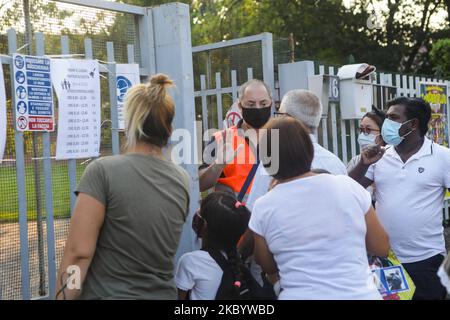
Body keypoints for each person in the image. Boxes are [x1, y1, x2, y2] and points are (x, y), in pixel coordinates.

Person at [56, 74, 190, 300]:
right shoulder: (182, 179)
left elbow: (78, 255)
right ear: (168, 127)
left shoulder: (102, 172)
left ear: (130, 123)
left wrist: (63, 297)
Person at [249, 116, 390, 300]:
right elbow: (381, 247)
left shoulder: (264, 206)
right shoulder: (349, 187)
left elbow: (267, 266)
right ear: (309, 149)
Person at [349, 97, 450, 300]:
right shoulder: (380, 155)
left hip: (426, 260)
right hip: (385, 260)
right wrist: (363, 163)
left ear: (413, 124)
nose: (387, 124)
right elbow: (349, 188)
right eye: (386, 118)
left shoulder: (442, 157)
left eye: (393, 118)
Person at [247, 89, 347, 211]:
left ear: (286, 118)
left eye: (279, 115)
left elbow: (253, 210)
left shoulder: (273, 160)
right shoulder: (336, 163)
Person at [199, 79, 273, 200]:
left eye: (263, 104)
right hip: (234, 216)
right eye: (251, 104)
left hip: (272, 215)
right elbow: (200, 185)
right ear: (240, 106)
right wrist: (218, 165)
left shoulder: (285, 136)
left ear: (271, 103)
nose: (258, 108)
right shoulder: (221, 139)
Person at [176, 191, 250, 300]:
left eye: (199, 210)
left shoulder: (191, 261)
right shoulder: (237, 263)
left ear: (204, 225)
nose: (196, 212)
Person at [346, 107, 386, 203]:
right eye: (361, 130)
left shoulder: (392, 159)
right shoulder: (356, 161)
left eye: (368, 130)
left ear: (382, 135)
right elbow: (346, 189)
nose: (363, 135)